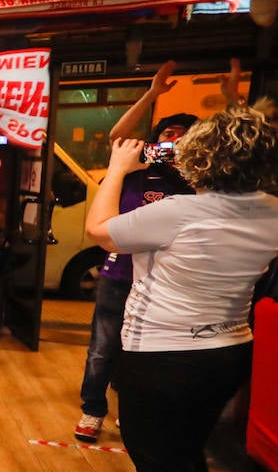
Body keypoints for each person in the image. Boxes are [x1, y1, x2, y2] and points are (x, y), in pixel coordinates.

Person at [86, 100, 278, 472]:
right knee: (180, 450)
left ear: (204, 157)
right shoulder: (272, 210)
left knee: (161, 457)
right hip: (229, 349)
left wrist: (117, 170)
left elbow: (99, 232)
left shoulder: (181, 211)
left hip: (166, 353)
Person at [71, 59, 241, 443]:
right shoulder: (134, 169)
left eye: (181, 138)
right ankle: (92, 409)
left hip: (168, 283)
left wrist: (232, 103)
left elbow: (236, 154)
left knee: (142, 355)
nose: (171, 143)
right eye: (166, 135)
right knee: (102, 349)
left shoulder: (197, 181)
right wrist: (152, 94)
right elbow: (118, 136)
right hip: (119, 275)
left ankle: (131, 412)